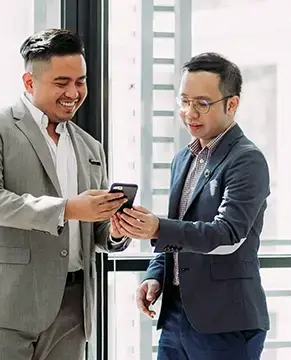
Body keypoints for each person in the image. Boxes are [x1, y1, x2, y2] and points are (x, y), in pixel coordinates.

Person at [0, 28, 131, 360]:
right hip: (4, 302)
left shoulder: (90, 146)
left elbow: (96, 231)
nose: (74, 92)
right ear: (29, 82)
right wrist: (67, 209)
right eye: (61, 82)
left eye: (80, 81)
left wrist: (117, 230)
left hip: (73, 305)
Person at [114, 52, 270, 360]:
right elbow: (179, 230)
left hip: (225, 323)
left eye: (202, 103)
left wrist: (157, 228)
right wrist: (154, 275)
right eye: (184, 101)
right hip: (175, 317)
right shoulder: (183, 158)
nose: (190, 113)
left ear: (232, 104)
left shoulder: (246, 160)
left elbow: (228, 235)